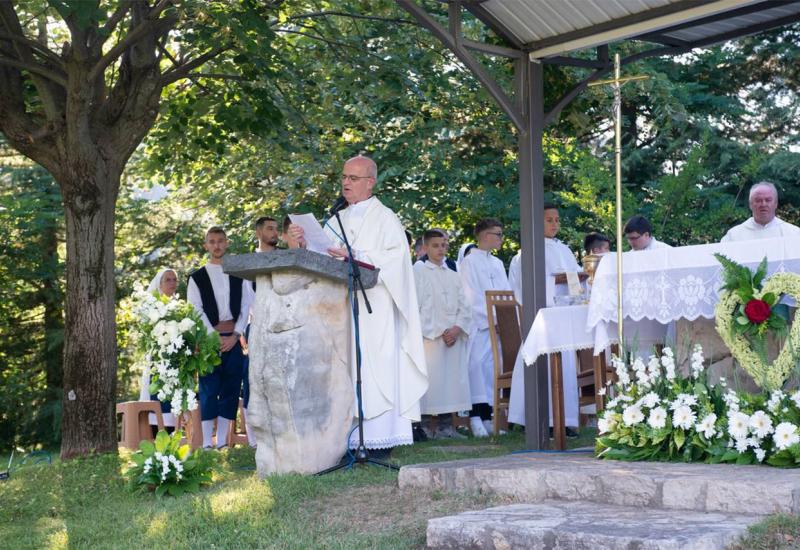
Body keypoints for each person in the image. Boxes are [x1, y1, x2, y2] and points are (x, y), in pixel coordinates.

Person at [289, 155, 428, 458]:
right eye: (344, 177)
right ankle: (344, 440)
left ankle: (379, 440)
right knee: (343, 369)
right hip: (340, 307)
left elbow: (396, 260)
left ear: (370, 182)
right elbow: (322, 255)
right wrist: (302, 245)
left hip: (374, 308)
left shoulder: (385, 218)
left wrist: (357, 254)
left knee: (374, 369)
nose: (346, 183)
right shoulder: (337, 217)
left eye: (353, 178)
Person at [507, 203, 580, 436]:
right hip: (541, 317)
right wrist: (557, 284)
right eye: (549, 220)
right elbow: (525, 288)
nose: (555, 224)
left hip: (563, 315)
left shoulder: (564, 249)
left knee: (565, 368)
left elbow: (577, 279)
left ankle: (563, 418)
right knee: (541, 365)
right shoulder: (527, 252)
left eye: (557, 220)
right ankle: (536, 417)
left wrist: (579, 283)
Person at [188, 226, 255, 449]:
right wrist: (212, 336)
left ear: (227, 243)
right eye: (212, 241)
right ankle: (207, 442)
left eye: (220, 241)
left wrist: (236, 334)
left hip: (234, 337)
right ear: (206, 245)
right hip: (210, 340)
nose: (217, 245)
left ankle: (223, 442)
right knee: (208, 388)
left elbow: (246, 305)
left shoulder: (238, 273)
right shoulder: (197, 277)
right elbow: (195, 309)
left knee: (231, 386)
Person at [414, 230, 472, 439]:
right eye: (435, 245)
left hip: (451, 337)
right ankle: (426, 427)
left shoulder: (453, 274)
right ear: (426, 248)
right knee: (430, 381)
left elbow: (464, 306)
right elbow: (416, 305)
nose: (440, 249)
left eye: (444, 245)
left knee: (450, 381)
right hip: (430, 336)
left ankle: (447, 426)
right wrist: (439, 331)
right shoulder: (418, 271)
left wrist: (456, 329)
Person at [459, 218, 510, 437]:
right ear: (485, 235)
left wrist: (506, 318)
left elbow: (506, 293)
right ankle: (475, 417)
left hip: (497, 325)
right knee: (476, 367)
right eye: (498, 234)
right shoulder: (470, 262)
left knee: (492, 369)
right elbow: (471, 296)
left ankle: (489, 416)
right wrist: (491, 318)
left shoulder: (497, 263)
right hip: (480, 325)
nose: (501, 239)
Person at [140, 268, 179, 432]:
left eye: (174, 280)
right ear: (159, 284)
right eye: (168, 280)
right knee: (160, 393)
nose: (172, 283)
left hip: (177, 359)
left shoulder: (179, 306)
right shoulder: (152, 305)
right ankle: (158, 433)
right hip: (159, 359)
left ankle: (175, 433)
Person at [721, 181, 800, 242]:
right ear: (750, 204)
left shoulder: (793, 234)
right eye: (758, 200)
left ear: (776, 203)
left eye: (768, 200)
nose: (763, 204)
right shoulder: (734, 236)